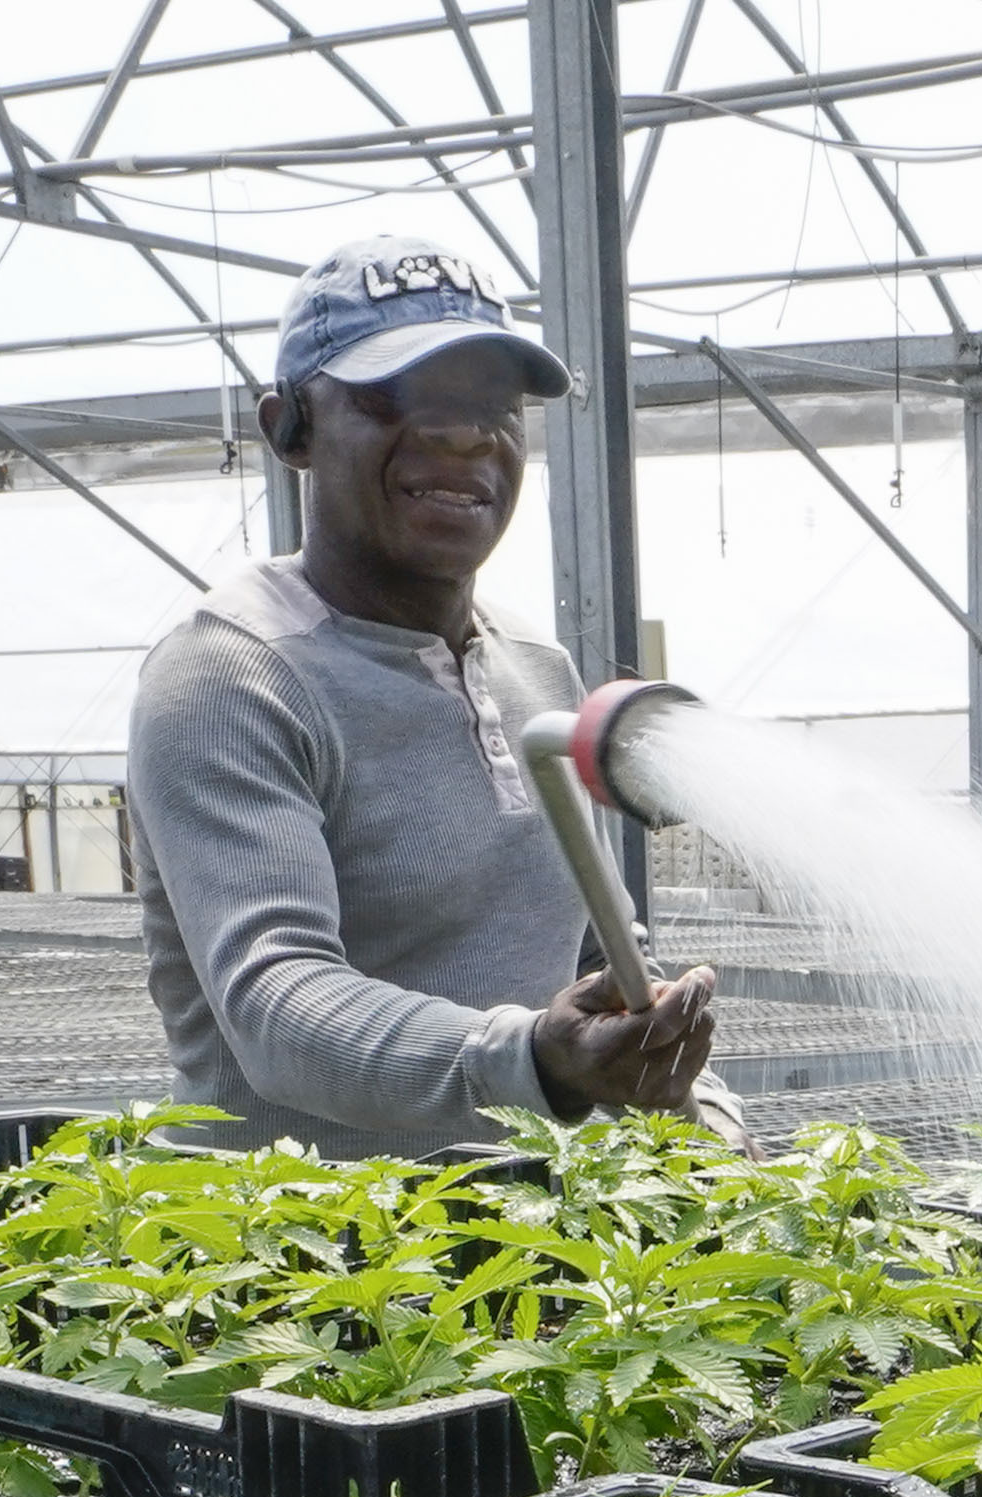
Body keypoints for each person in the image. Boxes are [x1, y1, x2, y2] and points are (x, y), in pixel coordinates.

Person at [125, 238, 716, 1152]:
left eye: (495, 409)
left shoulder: (537, 671)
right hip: (293, 1225)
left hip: (521, 1216)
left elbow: (603, 952)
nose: (462, 437)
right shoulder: (232, 674)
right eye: (393, 400)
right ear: (290, 428)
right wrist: (533, 1059)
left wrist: (703, 1116)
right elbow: (276, 1004)